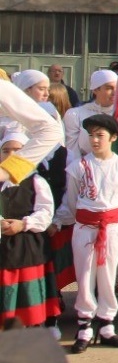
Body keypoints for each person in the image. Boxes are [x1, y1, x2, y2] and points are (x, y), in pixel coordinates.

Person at [66, 114, 118, 354]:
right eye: (91, 135)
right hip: (85, 228)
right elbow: (73, 200)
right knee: (85, 275)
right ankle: (84, 326)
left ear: (113, 138)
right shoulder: (78, 167)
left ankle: (107, 324)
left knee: (108, 274)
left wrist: (108, 220)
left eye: (100, 135)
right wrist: (90, 219)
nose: (94, 140)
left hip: (110, 228)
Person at [0, 132, 61, 328]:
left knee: (28, 299)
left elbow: (45, 212)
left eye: (17, 151)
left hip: (28, 249)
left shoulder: (36, 181)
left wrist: (23, 224)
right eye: (5, 150)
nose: (10, 155)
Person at [63, 70, 118, 165]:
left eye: (117, 88)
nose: (114, 92)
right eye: (109, 88)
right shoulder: (75, 114)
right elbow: (72, 152)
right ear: (96, 90)